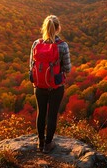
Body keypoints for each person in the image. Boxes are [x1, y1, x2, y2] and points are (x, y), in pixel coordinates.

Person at [29, 15, 71, 153]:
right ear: (58, 28)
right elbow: (68, 68)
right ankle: (48, 145)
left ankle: (40, 143)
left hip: (39, 85)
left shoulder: (36, 44)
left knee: (41, 113)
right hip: (56, 86)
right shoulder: (63, 46)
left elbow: (31, 65)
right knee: (52, 115)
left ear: (44, 28)